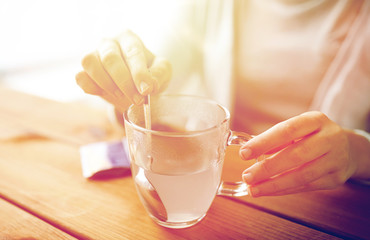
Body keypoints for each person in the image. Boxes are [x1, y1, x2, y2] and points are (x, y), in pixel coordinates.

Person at [75, 0, 370, 197]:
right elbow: (161, 68)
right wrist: (126, 78)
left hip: (339, 207)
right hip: (221, 193)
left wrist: (356, 152)